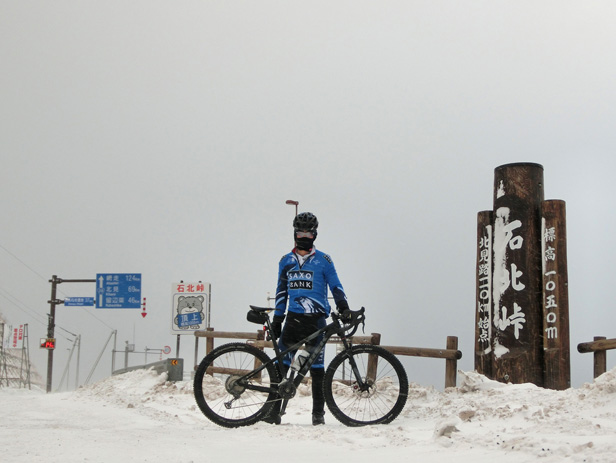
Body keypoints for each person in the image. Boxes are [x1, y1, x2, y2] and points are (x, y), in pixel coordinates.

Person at [265, 211, 350, 426]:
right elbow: (281, 291)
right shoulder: (285, 261)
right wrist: (277, 319)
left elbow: (336, 285)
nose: (304, 236)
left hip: (316, 321)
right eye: (300, 231)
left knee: (317, 369)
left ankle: (318, 415)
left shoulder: (324, 260)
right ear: (294, 232)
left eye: (308, 232)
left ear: (315, 234)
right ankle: (273, 412)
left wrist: (344, 307)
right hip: (292, 320)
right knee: (282, 367)